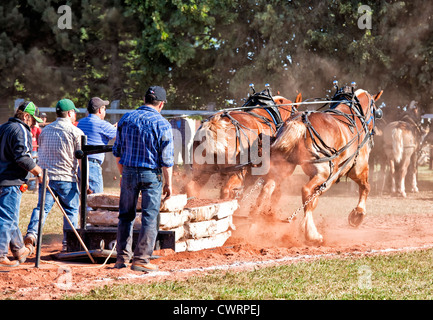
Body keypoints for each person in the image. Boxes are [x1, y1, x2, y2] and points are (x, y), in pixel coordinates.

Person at [112, 86, 174, 272]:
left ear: (145, 99)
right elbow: (167, 160)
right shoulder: (162, 124)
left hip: (129, 171)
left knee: (125, 215)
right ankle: (141, 260)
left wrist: (123, 174)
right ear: (161, 104)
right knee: (149, 216)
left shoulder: (126, 118)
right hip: (150, 174)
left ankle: (121, 258)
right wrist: (169, 184)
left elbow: (117, 151)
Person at [24, 99, 84, 252]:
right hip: (66, 178)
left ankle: (32, 234)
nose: (75, 115)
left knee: (41, 208)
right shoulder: (76, 132)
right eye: (74, 112)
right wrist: (84, 181)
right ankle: (68, 243)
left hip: (46, 177)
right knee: (71, 210)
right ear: (70, 113)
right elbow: (81, 159)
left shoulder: (45, 130)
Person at [0, 101, 44, 267]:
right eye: (33, 120)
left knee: (9, 216)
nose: (33, 124)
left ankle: (19, 249)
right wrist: (39, 172)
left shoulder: (3, 127)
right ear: (26, 116)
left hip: (2, 179)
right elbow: (22, 157)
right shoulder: (21, 130)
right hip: (11, 181)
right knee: (6, 218)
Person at [77, 97, 117, 194]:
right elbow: (120, 136)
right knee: (96, 199)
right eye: (104, 108)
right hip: (92, 165)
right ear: (100, 110)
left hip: (79, 164)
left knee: (83, 199)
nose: (105, 111)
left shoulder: (81, 122)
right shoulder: (103, 124)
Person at [28, 121, 42, 191]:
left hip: (34, 149)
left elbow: (40, 134)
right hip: (30, 149)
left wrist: (37, 127)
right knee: (30, 167)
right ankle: (29, 184)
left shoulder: (36, 127)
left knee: (34, 166)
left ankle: (33, 185)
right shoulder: (27, 127)